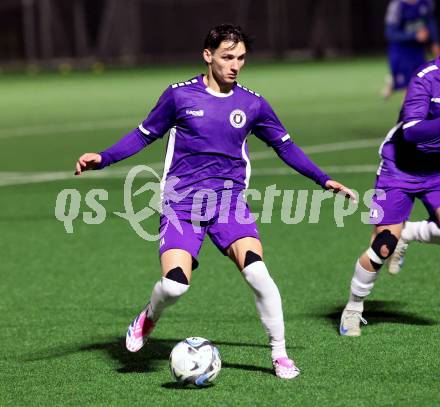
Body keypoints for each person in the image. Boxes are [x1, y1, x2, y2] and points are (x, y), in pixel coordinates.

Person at [75, 24, 355, 379]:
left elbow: (285, 145)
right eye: (227, 57)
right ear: (208, 55)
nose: (235, 65)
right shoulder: (178, 97)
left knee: (258, 273)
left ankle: (279, 354)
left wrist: (322, 178)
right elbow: (143, 135)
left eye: (240, 58)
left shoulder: (252, 103)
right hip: (182, 205)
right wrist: (104, 157)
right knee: (175, 285)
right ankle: (149, 317)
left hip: (229, 203)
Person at [340, 57, 440, 337]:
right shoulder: (427, 77)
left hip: (437, 171)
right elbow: (412, 131)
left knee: (397, 236)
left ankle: (410, 233)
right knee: (383, 245)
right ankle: (353, 308)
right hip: (400, 167)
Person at [382, 0, 440, 98]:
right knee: (411, 92)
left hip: (418, 52)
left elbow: (430, 21)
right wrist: (414, 36)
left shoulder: (426, 3)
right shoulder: (397, 6)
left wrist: (435, 42)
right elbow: (390, 33)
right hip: (401, 53)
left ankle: (393, 81)